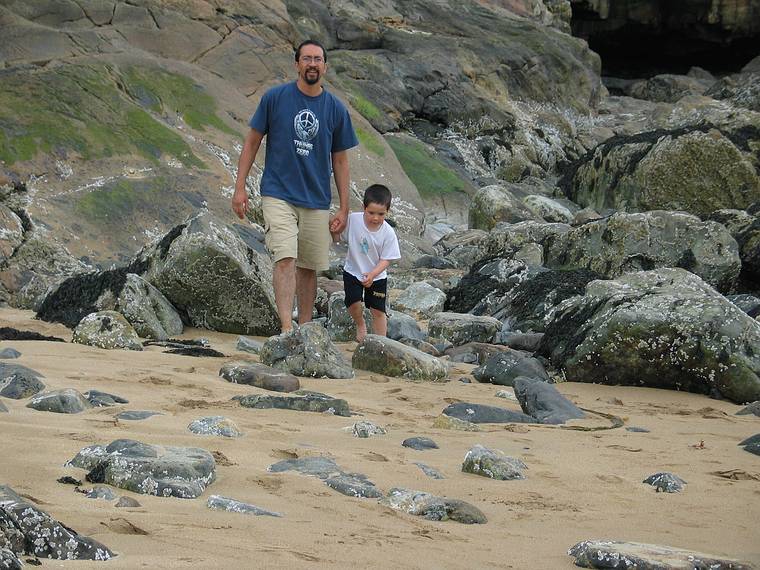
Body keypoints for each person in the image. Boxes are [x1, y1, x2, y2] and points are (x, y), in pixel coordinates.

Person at [232, 39, 358, 333]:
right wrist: (239, 187)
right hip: (278, 193)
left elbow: (340, 161)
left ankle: (304, 328)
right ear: (297, 64)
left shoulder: (336, 109)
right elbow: (252, 141)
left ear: (325, 66)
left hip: (316, 199)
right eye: (307, 59)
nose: (312, 64)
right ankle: (287, 328)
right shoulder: (275, 98)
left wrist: (343, 207)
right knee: (285, 257)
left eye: (317, 59)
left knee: (308, 267)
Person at [336, 184, 401, 342]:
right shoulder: (353, 220)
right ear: (363, 207)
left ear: (388, 211)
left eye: (381, 214)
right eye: (371, 213)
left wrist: (372, 274)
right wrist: (333, 228)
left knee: (378, 310)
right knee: (353, 302)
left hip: (377, 276)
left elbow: (387, 259)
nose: (375, 218)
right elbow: (339, 236)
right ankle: (360, 324)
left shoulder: (388, 233)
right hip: (353, 270)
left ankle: (382, 342)